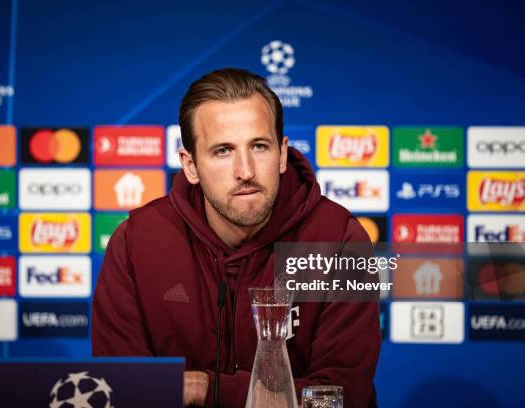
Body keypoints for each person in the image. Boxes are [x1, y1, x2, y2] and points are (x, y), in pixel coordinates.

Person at [92, 68, 381, 407]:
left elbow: (341, 396)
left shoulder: (339, 243)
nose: (245, 171)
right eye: (222, 151)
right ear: (190, 165)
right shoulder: (136, 243)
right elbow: (126, 390)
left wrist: (205, 389)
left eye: (259, 146)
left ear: (283, 153)